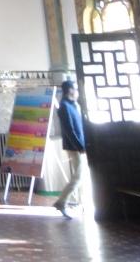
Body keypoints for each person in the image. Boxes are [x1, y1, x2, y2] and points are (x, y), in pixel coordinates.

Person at [54, 80, 87, 219]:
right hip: (75, 147)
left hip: (79, 145)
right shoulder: (64, 106)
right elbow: (69, 130)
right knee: (79, 176)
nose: (77, 92)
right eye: (75, 89)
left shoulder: (74, 105)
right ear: (70, 90)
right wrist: (79, 146)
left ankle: (82, 203)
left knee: (81, 176)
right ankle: (62, 201)